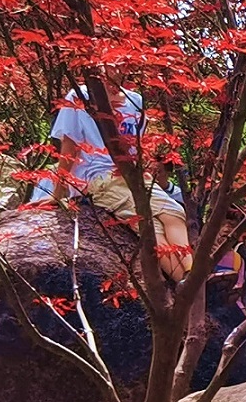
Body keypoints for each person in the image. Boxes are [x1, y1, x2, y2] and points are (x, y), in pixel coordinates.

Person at [39, 83, 193, 282]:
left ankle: (189, 277)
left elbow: (134, 146)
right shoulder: (80, 95)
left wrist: (141, 170)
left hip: (130, 176)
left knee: (167, 216)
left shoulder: (134, 100)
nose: (115, 67)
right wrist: (58, 193)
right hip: (98, 178)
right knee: (155, 221)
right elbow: (69, 146)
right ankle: (192, 280)